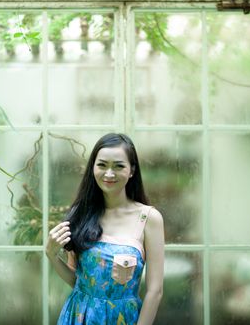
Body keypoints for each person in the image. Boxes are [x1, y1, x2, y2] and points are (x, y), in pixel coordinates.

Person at [46, 133, 165, 325]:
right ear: (93, 168)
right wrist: (51, 254)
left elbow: (155, 291)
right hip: (78, 317)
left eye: (118, 166)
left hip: (122, 319)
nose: (109, 174)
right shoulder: (81, 213)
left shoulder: (149, 219)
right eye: (102, 165)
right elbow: (77, 281)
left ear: (132, 170)